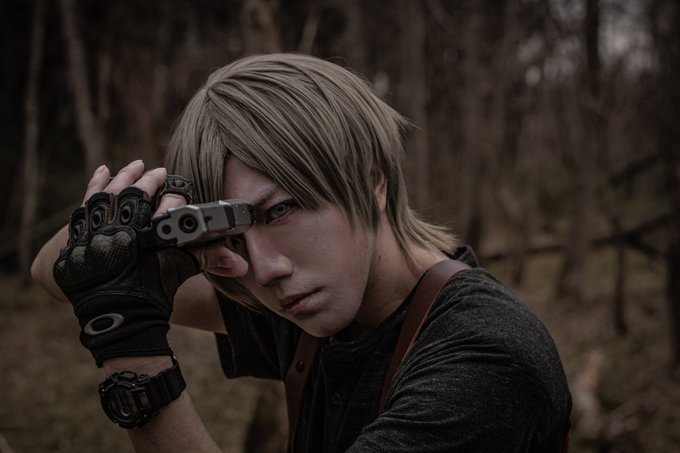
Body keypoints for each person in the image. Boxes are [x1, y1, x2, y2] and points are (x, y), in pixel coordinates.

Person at [31, 53, 572, 452]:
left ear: (373, 181)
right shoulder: (315, 296)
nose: (264, 271)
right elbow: (53, 271)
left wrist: (134, 358)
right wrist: (152, 229)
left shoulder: (488, 360)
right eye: (232, 234)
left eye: (281, 211)